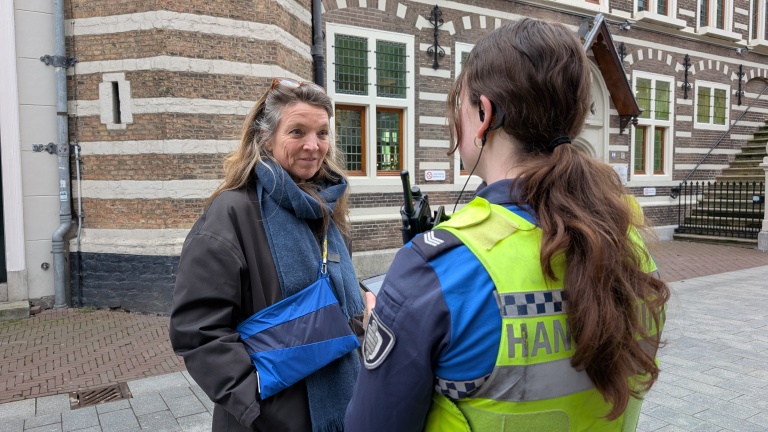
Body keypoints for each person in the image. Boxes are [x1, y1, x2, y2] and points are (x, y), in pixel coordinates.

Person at [345, 18, 670, 432]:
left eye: (458, 106)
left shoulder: (438, 268)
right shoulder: (628, 239)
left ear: (484, 114)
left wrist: (386, 325)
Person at [170, 78, 365, 432]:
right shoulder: (231, 214)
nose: (313, 145)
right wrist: (256, 400)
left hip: (343, 404)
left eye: (322, 133)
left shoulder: (328, 209)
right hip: (271, 418)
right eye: (297, 131)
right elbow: (197, 330)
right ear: (266, 137)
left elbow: (330, 294)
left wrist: (362, 303)